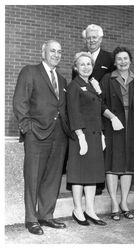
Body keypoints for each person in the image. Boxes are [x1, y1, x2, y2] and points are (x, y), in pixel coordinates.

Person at [13, 40, 72, 235]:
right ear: (43, 52)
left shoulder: (62, 80)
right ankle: (31, 219)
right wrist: (27, 128)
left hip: (59, 136)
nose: (56, 54)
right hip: (36, 134)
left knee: (52, 177)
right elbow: (20, 101)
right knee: (33, 177)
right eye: (52, 51)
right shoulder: (30, 72)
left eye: (59, 51)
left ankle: (46, 215)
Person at [100, 47, 134, 221]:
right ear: (115, 62)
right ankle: (114, 203)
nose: (122, 62)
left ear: (130, 60)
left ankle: (124, 203)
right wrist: (111, 118)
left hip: (132, 127)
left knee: (128, 166)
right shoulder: (107, 79)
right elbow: (100, 103)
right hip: (113, 127)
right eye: (119, 59)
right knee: (112, 165)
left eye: (125, 58)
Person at [72, 24, 115, 195]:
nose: (91, 40)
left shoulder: (110, 58)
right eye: (88, 38)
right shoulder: (79, 60)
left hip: (103, 110)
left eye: (94, 37)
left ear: (101, 39)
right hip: (86, 112)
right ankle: (87, 182)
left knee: (100, 149)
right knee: (86, 150)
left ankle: (98, 184)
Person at [66, 52, 107, 226]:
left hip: (95, 135)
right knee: (79, 174)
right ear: (76, 67)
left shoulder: (92, 84)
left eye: (88, 64)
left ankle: (90, 210)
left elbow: (97, 112)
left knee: (92, 174)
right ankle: (77, 209)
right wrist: (81, 136)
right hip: (80, 136)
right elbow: (73, 112)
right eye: (82, 64)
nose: (86, 67)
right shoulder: (74, 86)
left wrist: (102, 133)